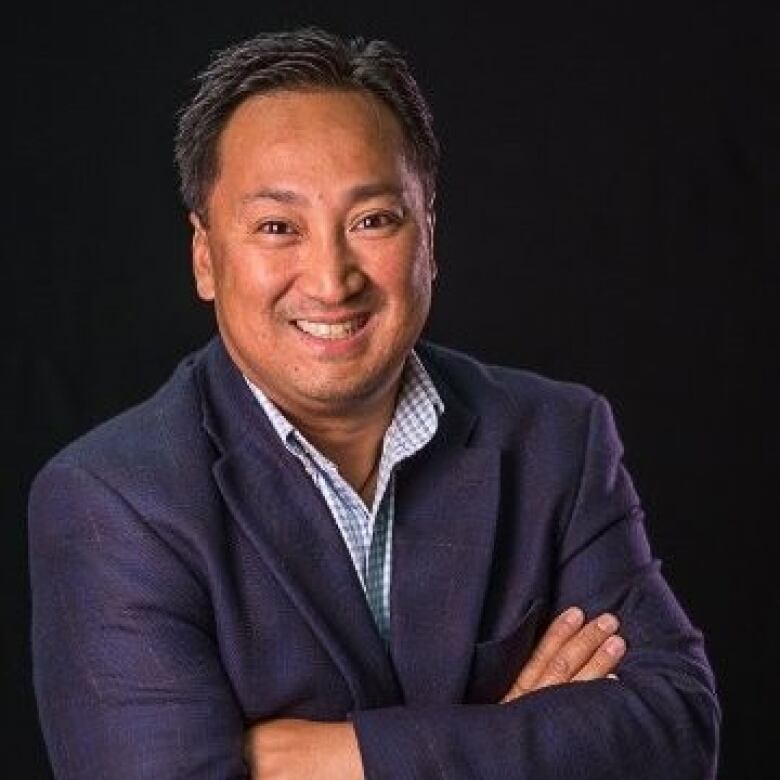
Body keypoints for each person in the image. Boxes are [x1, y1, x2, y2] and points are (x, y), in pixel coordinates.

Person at [28, 27, 720, 779]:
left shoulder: (557, 437)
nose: (330, 280)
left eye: (372, 220)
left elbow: (678, 731)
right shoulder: (114, 502)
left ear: (429, 232)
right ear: (205, 257)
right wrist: (509, 735)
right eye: (277, 227)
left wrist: (341, 756)